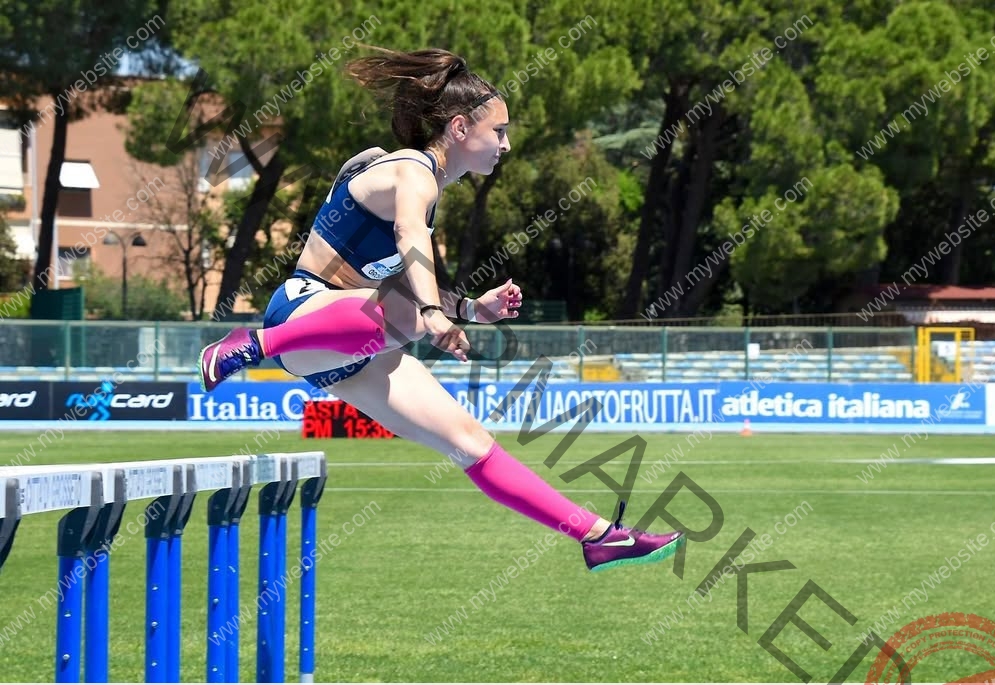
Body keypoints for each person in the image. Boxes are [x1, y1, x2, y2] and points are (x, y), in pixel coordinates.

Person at [198, 45, 684, 572]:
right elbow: (409, 241)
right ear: (458, 127)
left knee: (472, 443)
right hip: (298, 315)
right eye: (498, 131)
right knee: (405, 316)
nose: (508, 143)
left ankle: (597, 536)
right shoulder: (413, 171)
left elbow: (403, 280)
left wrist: (472, 308)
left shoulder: (432, 188)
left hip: (350, 352)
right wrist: (432, 313)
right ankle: (246, 346)